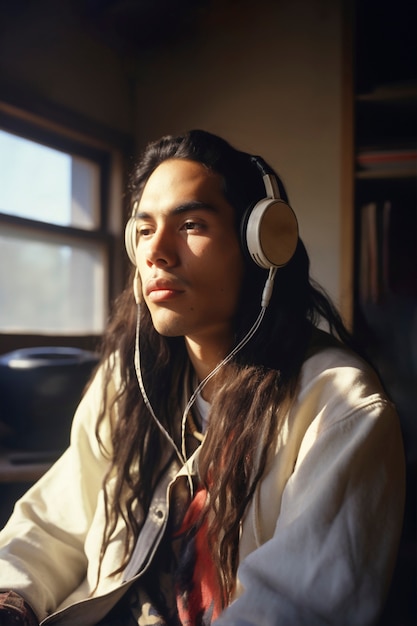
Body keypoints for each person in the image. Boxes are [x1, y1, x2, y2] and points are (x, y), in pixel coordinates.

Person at [0, 130, 405, 626]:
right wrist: (11, 600)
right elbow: (55, 521)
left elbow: (293, 610)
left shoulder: (340, 408)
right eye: (145, 230)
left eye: (190, 224)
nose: (157, 253)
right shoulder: (129, 380)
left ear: (262, 244)